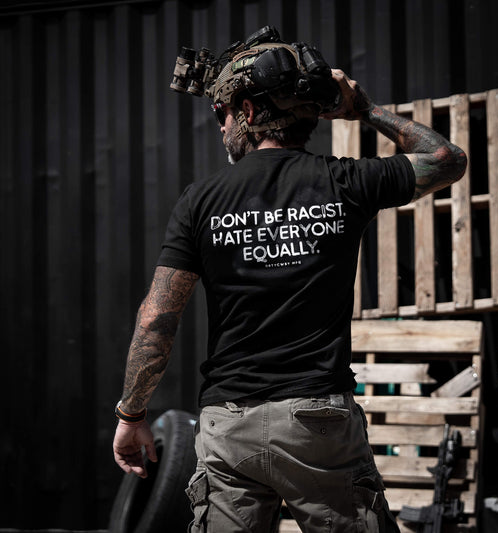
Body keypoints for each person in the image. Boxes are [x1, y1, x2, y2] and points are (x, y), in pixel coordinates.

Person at [113, 31, 467, 533]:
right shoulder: (346, 182)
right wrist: (365, 110)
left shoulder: (200, 201)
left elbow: (157, 319)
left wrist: (131, 416)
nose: (221, 126)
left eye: (221, 113)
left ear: (248, 112)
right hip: (318, 422)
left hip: (228, 424)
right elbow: (447, 159)